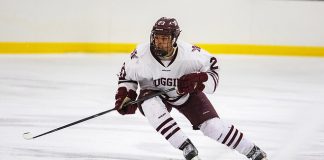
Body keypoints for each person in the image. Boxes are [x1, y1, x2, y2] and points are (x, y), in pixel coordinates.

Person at [114, 17, 268, 160]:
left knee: (212, 127)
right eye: (156, 38)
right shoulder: (141, 55)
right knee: (150, 104)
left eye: (164, 39)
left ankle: (252, 150)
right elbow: (127, 76)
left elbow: (213, 67)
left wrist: (198, 81)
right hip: (155, 94)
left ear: (174, 39)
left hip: (186, 95)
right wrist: (126, 95)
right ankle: (186, 146)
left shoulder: (190, 54)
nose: (159, 42)